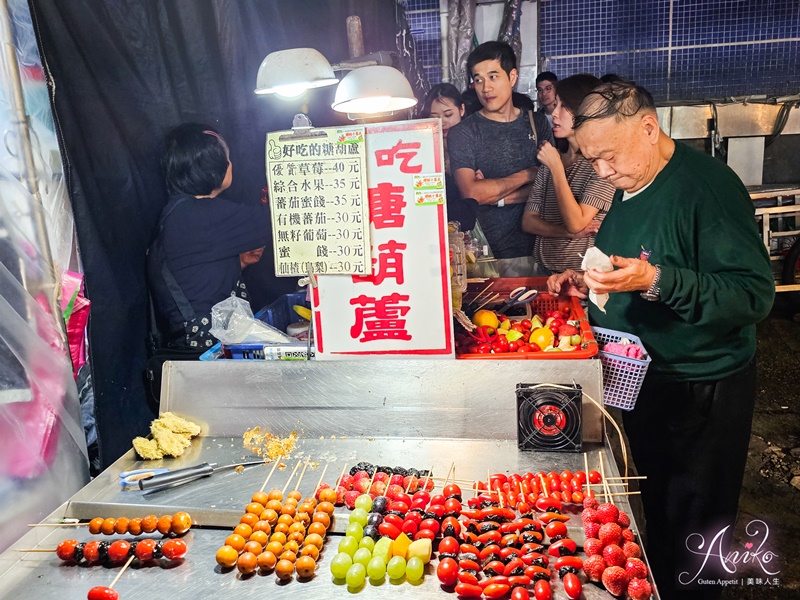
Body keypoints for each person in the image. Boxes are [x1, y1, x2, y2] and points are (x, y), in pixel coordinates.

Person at [547, 82, 774, 599]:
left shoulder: (707, 189)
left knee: (696, 535)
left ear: (648, 128)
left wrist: (656, 281)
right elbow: (623, 259)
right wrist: (587, 280)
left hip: (701, 392)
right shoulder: (632, 182)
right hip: (644, 381)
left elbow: (752, 294)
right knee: (656, 521)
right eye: (591, 159)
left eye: (607, 157)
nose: (601, 172)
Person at [148, 123, 270, 350]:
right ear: (213, 166)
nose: (231, 164)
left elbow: (197, 281)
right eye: (227, 158)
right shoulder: (196, 215)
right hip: (204, 355)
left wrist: (238, 263)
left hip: (197, 348)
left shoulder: (181, 212)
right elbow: (277, 221)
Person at [447, 41, 554, 276]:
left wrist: (495, 196)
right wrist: (528, 174)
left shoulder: (537, 124)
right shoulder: (463, 133)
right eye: (478, 79)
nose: (486, 88)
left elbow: (551, 188)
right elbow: (472, 194)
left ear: (512, 76)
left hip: (540, 251)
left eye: (493, 76)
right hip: (483, 258)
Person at [522, 74, 614, 273]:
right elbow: (528, 221)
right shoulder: (552, 160)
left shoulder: (601, 165)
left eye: (562, 106)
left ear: (586, 110)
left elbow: (576, 222)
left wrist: (556, 168)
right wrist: (565, 233)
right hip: (545, 271)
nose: (554, 113)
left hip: (583, 279)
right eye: (555, 105)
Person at [421, 84, 478, 231]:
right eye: (434, 117)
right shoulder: (422, 152)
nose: (442, 122)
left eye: (448, 115)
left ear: (462, 110)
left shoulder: (476, 144)